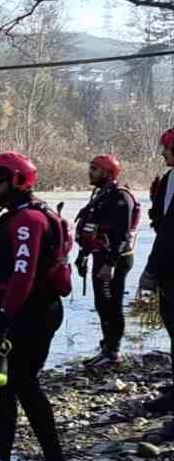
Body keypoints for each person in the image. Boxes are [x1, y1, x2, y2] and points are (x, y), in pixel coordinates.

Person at [0, 150, 75, 461]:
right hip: (28, 311)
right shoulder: (25, 215)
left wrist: (3, 318)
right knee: (12, 383)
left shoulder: (29, 221)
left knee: (8, 384)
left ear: (18, 181)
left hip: (28, 313)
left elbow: (22, 274)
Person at [75, 153, 139, 368]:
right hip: (101, 257)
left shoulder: (121, 197)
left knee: (112, 305)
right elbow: (91, 226)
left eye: (94, 168)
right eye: (90, 167)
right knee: (102, 304)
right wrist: (82, 255)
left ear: (108, 172)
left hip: (116, 259)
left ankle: (113, 353)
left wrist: (110, 265)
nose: (89, 172)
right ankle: (107, 347)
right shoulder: (101, 194)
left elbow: (122, 235)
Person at [139, 130, 174, 424]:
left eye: (167, 148)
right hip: (169, 270)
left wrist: (149, 272)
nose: (163, 154)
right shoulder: (167, 180)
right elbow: (162, 226)